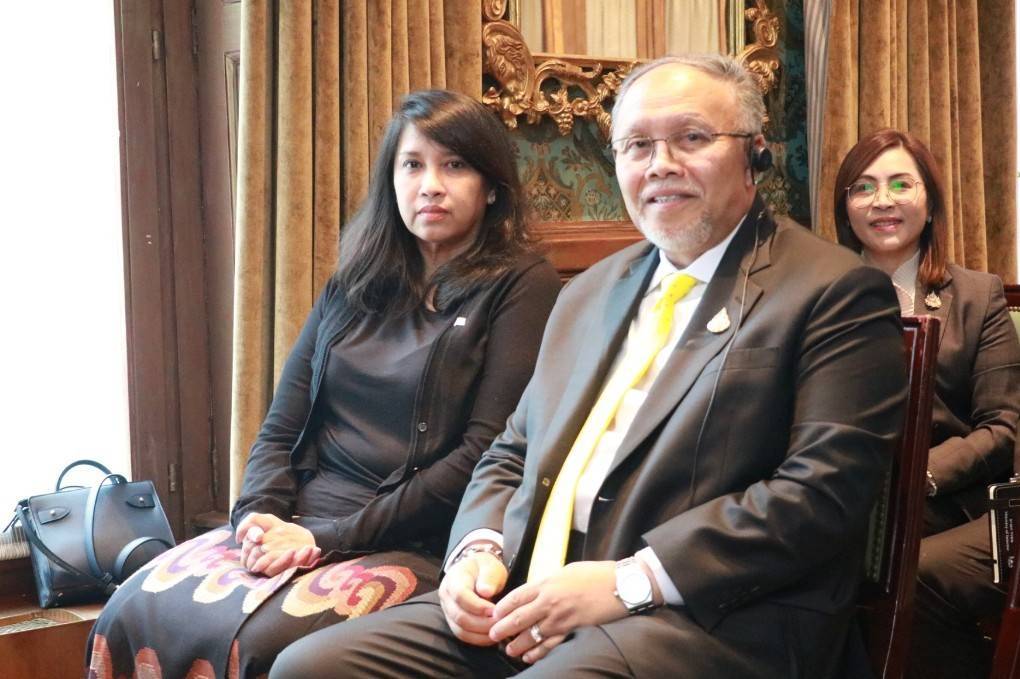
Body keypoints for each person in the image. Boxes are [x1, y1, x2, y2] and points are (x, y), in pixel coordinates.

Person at [269, 54, 907, 678]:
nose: (660, 164)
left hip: (710, 615)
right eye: (636, 145)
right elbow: (513, 449)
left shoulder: (831, 290)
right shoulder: (589, 291)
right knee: (311, 666)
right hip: (531, 595)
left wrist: (629, 582)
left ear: (754, 153)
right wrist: (477, 552)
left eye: (691, 138)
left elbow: (821, 493)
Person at [86, 89, 561, 678]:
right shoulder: (356, 280)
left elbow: (482, 454)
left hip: (415, 535)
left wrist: (324, 538)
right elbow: (282, 421)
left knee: (262, 646)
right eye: (413, 165)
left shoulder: (524, 285)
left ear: (491, 186)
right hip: (300, 520)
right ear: (391, 180)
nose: (431, 186)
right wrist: (257, 514)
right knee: (132, 607)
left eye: (455, 166)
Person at [833, 128, 1020, 679]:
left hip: (959, 499)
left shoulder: (978, 295)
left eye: (900, 184)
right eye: (863, 187)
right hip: (849, 496)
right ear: (845, 208)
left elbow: (1003, 428)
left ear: (930, 202)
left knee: (906, 573)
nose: (882, 200)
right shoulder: (818, 297)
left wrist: (917, 476)